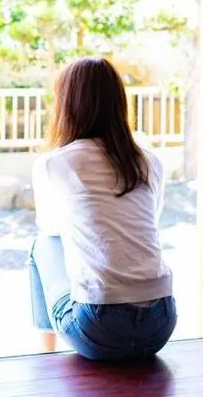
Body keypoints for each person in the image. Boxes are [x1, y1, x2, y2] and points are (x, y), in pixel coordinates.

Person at [27, 56, 177, 360]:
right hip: (160, 324)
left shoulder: (56, 162)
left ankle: (44, 357)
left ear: (66, 104)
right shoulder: (148, 161)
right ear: (118, 103)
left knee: (42, 244)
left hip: (100, 328)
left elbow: (50, 227)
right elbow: (150, 221)